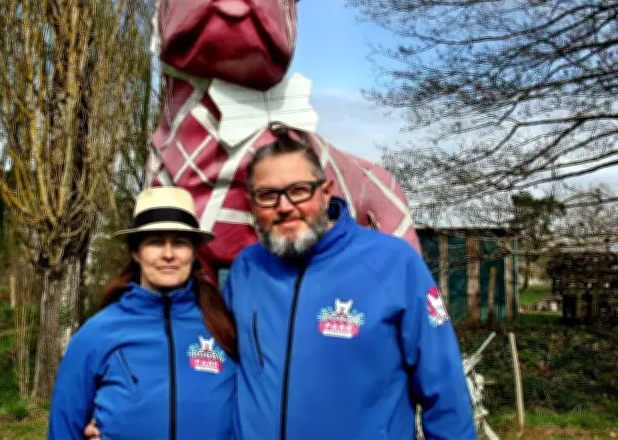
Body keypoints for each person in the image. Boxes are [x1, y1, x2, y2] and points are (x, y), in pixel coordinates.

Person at [85, 126, 476, 439]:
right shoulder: (247, 269)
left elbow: (445, 394)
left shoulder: (394, 263)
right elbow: (202, 360)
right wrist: (125, 420)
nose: (285, 206)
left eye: (299, 191)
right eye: (268, 196)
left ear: (325, 193)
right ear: (252, 205)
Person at [48, 186, 237, 440]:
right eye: (156, 242)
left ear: (193, 253)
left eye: (180, 242)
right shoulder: (97, 333)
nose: (168, 254)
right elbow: (63, 429)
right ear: (136, 252)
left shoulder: (223, 326)